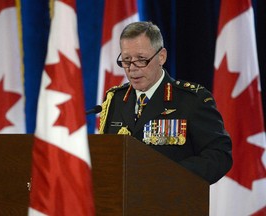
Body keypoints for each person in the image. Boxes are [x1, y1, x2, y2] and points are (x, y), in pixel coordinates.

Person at [98, 21, 232, 184]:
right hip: (121, 205)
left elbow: (220, 154)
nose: (132, 68)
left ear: (161, 57)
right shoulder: (115, 100)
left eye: (141, 59)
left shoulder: (191, 100)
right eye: (126, 60)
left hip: (172, 204)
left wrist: (170, 175)